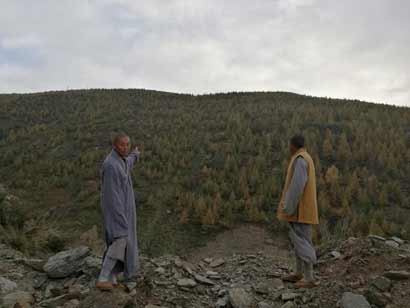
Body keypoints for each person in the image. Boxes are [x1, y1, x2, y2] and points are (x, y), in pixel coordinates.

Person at [96, 132, 141, 291]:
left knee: (122, 242)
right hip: (116, 211)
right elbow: (111, 196)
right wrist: (119, 217)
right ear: (114, 145)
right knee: (120, 240)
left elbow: (128, 163)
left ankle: (112, 278)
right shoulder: (111, 165)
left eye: (128, 144)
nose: (125, 147)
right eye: (122, 144)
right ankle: (103, 277)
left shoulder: (121, 160)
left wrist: (135, 155)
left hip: (124, 210)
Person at [277, 135, 319, 288]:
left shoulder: (300, 159)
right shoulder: (304, 157)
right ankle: (299, 273)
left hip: (300, 210)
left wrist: (288, 207)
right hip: (300, 209)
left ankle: (309, 278)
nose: (289, 148)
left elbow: (297, 187)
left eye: (289, 145)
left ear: (293, 145)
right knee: (298, 241)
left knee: (303, 242)